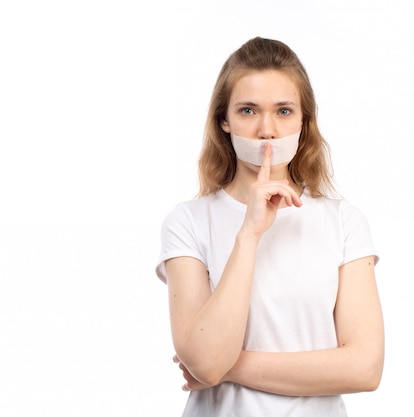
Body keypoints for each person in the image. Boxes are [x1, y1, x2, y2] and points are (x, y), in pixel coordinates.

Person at [156, 36, 384, 417]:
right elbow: (206, 362)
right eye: (248, 111)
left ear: (303, 120)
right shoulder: (188, 222)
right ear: (224, 120)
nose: (267, 130)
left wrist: (226, 368)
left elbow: (364, 368)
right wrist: (249, 235)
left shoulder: (343, 221)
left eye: (283, 111)